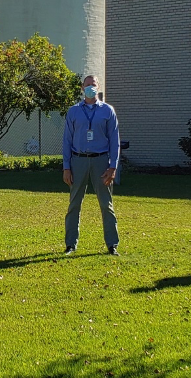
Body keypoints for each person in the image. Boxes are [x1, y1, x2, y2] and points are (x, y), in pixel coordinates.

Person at [62, 76, 121, 256]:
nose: (90, 88)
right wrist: (66, 167)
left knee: (106, 204)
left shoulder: (107, 111)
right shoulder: (73, 111)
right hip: (78, 160)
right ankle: (70, 244)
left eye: (93, 85)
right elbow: (67, 140)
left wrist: (113, 167)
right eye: (87, 85)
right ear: (82, 88)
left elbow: (114, 141)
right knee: (74, 203)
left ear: (98, 87)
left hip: (101, 161)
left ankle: (112, 245)